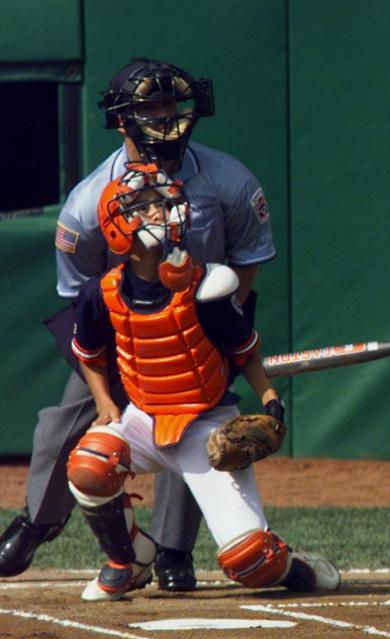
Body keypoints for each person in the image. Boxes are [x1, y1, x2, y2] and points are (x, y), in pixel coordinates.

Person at [0, 58, 275, 591]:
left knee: (186, 423)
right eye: (151, 106)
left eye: (172, 103)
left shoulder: (229, 180)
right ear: (123, 120)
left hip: (203, 321)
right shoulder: (86, 201)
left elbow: (247, 260)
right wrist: (119, 364)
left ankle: (173, 551)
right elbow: (75, 296)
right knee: (62, 424)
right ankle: (38, 519)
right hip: (113, 324)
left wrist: (218, 330)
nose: (166, 116)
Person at [65, 162, 339, 601]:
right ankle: (131, 557)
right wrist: (104, 404)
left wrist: (269, 396)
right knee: (90, 464)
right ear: (118, 226)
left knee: (251, 559)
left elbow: (243, 348)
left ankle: (300, 570)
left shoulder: (206, 285)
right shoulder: (102, 294)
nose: (161, 213)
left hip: (205, 428)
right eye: (146, 206)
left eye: (163, 204)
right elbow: (90, 355)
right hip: (143, 420)